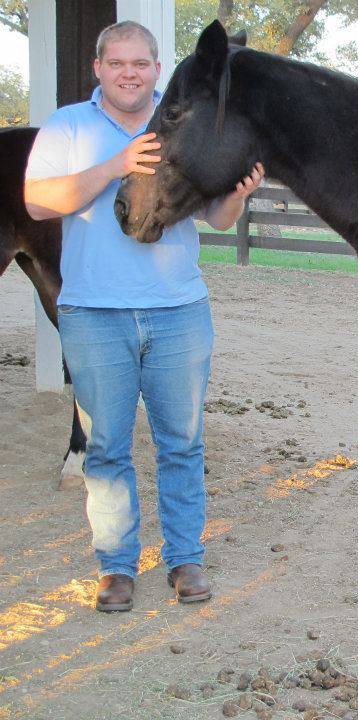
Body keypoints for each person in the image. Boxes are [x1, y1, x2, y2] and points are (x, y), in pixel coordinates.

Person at [24, 21, 263, 612]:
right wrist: (115, 165)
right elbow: (37, 202)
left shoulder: (187, 124)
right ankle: (116, 567)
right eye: (117, 63)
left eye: (140, 63)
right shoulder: (68, 126)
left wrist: (239, 195)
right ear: (98, 68)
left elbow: (217, 218)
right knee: (107, 447)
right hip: (93, 313)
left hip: (178, 312)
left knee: (182, 442)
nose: (128, 73)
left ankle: (185, 558)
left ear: (157, 69)